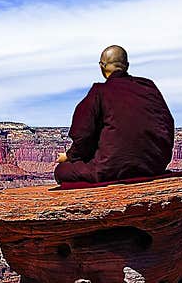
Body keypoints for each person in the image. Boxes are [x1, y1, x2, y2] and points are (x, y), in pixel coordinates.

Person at [54, 45, 175, 184]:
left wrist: (70, 156)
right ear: (127, 66)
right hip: (154, 166)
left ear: (102, 66)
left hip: (111, 169)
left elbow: (83, 134)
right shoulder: (149, 86)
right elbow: (167, 123)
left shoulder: (99, 92)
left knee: (62, 171)